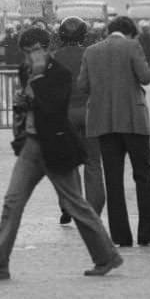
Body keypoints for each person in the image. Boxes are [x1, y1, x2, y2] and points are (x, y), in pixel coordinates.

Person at [0, 28, 121, 279]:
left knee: (76, 205)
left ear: (47, 49)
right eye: (27, 52)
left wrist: (37, 82)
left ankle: (106, 256)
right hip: (31, 144)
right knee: (12, 201)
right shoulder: (24, 70)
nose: (31, 57)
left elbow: (54, 108)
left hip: (56, 145)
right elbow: (25, 105)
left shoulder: (59, 73)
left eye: (35, 51)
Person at [78, 15, 150, 247]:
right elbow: (146, 78)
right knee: (142, 175)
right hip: (133, 120)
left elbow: (82, 85)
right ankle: (149, 232)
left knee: (113, 180)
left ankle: (120, 236)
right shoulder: (132, 46)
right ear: (130, 32)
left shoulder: (91, 51)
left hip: (104, 122)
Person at [52, 16, 104, 220]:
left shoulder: (54, 57)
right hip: (90, 111)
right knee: (93, 163)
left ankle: (70, 206)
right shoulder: (91, 54)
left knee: (69, 163)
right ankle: (95, 210)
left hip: (65, 114)